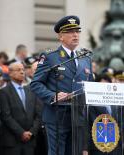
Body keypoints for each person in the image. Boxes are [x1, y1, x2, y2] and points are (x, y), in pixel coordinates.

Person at [30, 15, 93, 155]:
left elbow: (91, 86)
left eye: (77, 31)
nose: (75, 34)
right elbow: (35, 84)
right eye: (70, 31)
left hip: (78, 115)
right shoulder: (50, 57)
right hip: (57, 115)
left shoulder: (85, 58)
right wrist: (53, 96)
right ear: (60, 36)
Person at [0, 62, 41, 155]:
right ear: (10, 73)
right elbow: (6, 116)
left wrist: (31, 132)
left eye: (23, 69)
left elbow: (37, 114)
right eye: (18, 70)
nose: (22, 72)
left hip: (30, 141)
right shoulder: (3, 92)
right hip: (13, 141)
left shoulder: (31, 90)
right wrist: (21, 133)